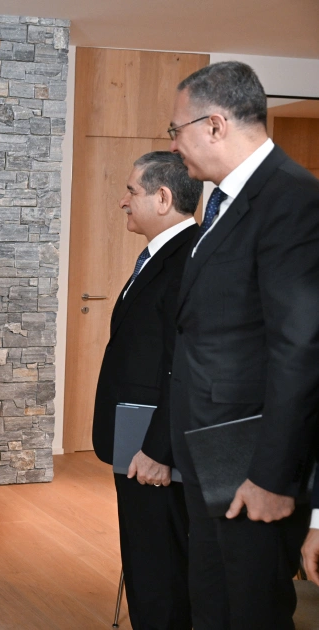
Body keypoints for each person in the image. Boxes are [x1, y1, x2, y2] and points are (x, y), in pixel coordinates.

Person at [168, 62, 319, 627]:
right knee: (212, 595)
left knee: (251, 606)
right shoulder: (224, 200)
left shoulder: (292, 199)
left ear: (214, 125)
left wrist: (273, 477)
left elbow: (301, 349)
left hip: (251, 454)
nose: (174, 144)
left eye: (176, 129)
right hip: (208, 442)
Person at [92, 151, 201, 629]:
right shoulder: (161, 255)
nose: (123, 201)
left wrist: (159, 449)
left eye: (131, 191)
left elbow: (185, 365)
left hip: (154, 451)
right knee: (143, 561)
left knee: (160, 571)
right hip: (134, 441)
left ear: (163, 198)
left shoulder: (187, 261)